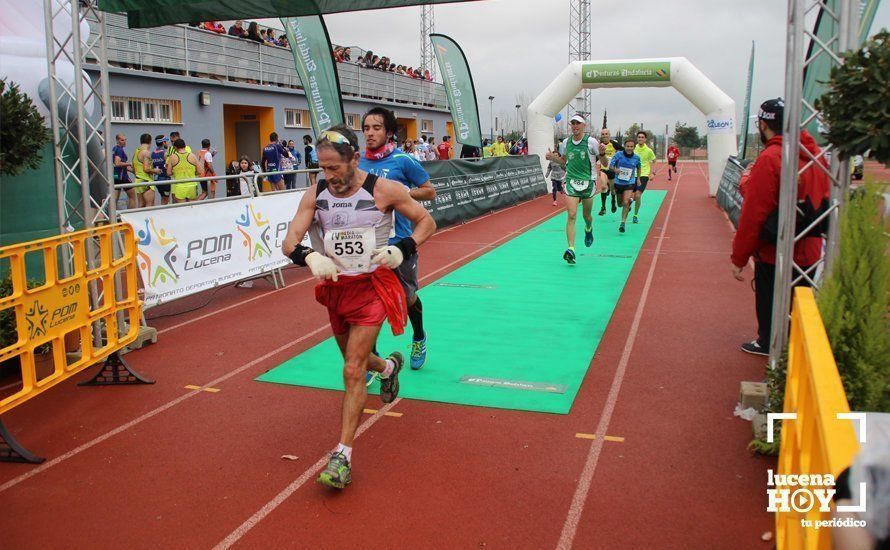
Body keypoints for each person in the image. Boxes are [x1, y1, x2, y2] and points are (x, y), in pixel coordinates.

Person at [281, 125, 436, 489]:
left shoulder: (383, 190)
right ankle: (388, 367)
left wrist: (403, 248)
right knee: (359, 360)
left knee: (352, 369)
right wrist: (308, 256)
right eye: (322, 167)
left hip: (372, 287)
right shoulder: (316, 192)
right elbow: (290, 240)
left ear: (354, 158)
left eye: (335, 167)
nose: (328, 175)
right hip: (336, 289)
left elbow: (427, 221)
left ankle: (342, 456)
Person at [730, 98, 829, 356]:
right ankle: (792, 350)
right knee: (802, 307)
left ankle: (769, 344)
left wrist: (739, 257)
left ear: (763, 125)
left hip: (777, 251)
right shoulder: (815, 154)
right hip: (812, 249)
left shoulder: (772, 157)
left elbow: (754, 212)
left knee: (772, 303)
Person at [359, 107, 436, 372]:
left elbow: (430, 192)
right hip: (367, 242)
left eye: (376, 128)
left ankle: (418, 337)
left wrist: (404, 193)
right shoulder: (358, 163)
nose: (370, 133)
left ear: (389, 132)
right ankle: (370, 357)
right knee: (366, 300)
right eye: (366, 128)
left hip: (400, 241)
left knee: (406, 297)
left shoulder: (403, 161)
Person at [546, 114, 604, 264]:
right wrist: (552, 157)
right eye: (572, 123)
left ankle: (588, 228)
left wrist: (602, 152)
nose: (575, 126)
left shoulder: (591, 142)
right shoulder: (565, 142)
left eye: (578, 123)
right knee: (571, 215)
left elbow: (604, 161)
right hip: (571, 181)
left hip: (588, 183)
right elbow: (564, 161)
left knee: (587, 216)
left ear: (584, 125)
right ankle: (571, 248)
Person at [608, 138, 643, 233]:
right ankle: (629, 202)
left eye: (631, 146)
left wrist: (638, 178)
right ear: (624, 146)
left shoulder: (636, 157)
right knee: (620, 204)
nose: (629, 148)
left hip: (629, 183)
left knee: (625, 202)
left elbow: (639, 168)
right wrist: (615, 170)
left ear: (633, 147)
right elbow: (611, 166)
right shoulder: (618, 155)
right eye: (628, 146)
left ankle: (623, 223)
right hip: (618, 182)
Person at [165, 138, 204, 203]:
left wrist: (175, 172)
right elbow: (200, 171)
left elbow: (168, 173)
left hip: (179, 186)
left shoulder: (172, 157)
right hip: (192, 186)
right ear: (185, 146)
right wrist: (193, 173)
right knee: (192, 208)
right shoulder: (192, 156)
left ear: (175, 147)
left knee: (182, 209)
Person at [632, 131, 657, 224]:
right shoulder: (633, 148)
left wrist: (653, 173)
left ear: (645, 139)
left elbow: (654, 161)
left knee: (637, 195)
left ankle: (635, 215)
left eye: (642, 137)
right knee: (632, 197)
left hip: (643, 175)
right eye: (639, 137)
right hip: (632, 175)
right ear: (637, 138)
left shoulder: (648, 150)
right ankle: (630, 202)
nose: (640, 139)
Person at [597, 128, 621, 216]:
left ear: (609, 135)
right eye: (603, 134)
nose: (604, 135)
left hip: (612, 169)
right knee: (603, 187)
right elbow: (597, 156)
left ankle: (613, 201)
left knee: (613, 190)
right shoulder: (600, 145)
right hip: (604, 169)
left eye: (606, 134)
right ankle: (603, 207)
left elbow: (623, 151)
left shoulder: (614, 144)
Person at [132, 133, 156, 208]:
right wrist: (155, 171)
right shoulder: (146, 152)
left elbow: (133, 167)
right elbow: (146, 169)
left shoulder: (136, 151)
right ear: (150, 141)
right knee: (149, 204)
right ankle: (150, 220)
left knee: (141, 204)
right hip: (146, 180)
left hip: (138, 180)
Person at [112, 133, 135, 209]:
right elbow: (117, 163)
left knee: (115, 198)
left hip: (116, 176)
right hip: (123, 177)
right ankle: (131, 215)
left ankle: (112, 215)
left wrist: (132, 171)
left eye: (125, 140)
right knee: (132, 196)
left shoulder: (114, 148)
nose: (124, 142)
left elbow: (121, 166)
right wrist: (129, 163)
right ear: (117, 140)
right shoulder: (119, 149)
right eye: (122, 140)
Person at [150, 135, 172, 204]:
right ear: (164, 142)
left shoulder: (152, 153)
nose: (167, 143)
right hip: (165, 179)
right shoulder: (165, 153)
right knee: (166, 199)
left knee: (163, 197)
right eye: (166, 142)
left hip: (156, 179)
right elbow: (168, 165)